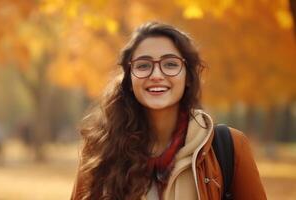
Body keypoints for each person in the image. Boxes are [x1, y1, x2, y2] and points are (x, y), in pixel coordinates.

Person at [71, 22, 266, 200]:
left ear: (188, 77)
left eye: (170, 64)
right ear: (129, 80)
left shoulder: (229, 147)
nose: (156, 75)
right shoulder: (100, 150)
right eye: (144, 65)